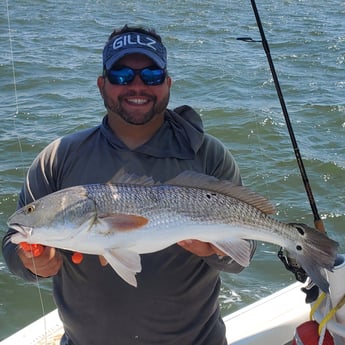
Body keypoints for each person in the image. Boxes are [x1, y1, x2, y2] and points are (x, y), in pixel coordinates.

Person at [2, 25, 256, 345]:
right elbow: (12, 243)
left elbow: (246, 248)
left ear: (167, 83)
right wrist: (31, 261)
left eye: (151, 75)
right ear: (101, 84)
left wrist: (214, 250)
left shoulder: (209, 155)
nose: (137, 86)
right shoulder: (58, 158)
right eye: (121, 75)